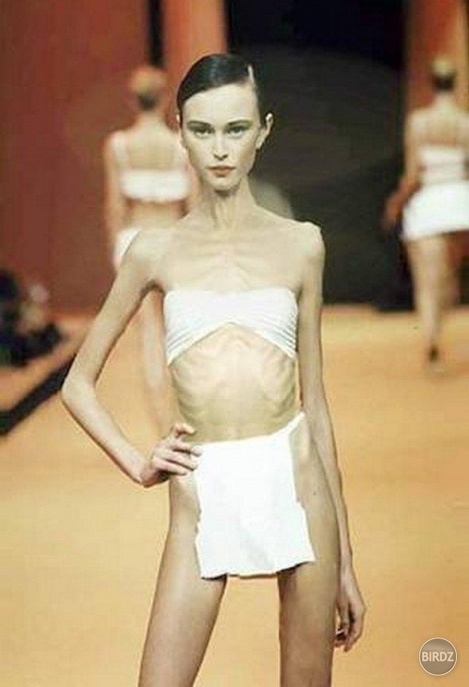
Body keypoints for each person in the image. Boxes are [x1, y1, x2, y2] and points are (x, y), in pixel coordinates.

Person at [62, 53, 365, 686]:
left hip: (297, 482)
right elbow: (77, 383)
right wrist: (137, 463)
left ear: (264, 130)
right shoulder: (153, 251)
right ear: (181, 132)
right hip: (202, 490)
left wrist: (345, 561)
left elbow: (315, 402)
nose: (220, 149)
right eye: (202, 130)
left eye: (236, 129)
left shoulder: (303, 244)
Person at [103, 65, 196, 427]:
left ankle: (162, 424)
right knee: (180, 329)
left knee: (149, 335)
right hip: (175, 239)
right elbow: (194, 203)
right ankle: (182, 415)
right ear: (165, 99)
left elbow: (114, 206)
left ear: (132, 100)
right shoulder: (181, 146)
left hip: (135, 242)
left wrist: (115, 251)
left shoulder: (118, 146)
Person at [383, 57, 469, 370]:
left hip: (429, 206)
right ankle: (437, 334)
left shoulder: (419, 122)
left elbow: (412, 174)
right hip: (460, 205)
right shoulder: (464, 123)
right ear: (455, 83)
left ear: (432, 83)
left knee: (427, 283)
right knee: (449, 280)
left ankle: (431, 340)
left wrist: (396, 202)